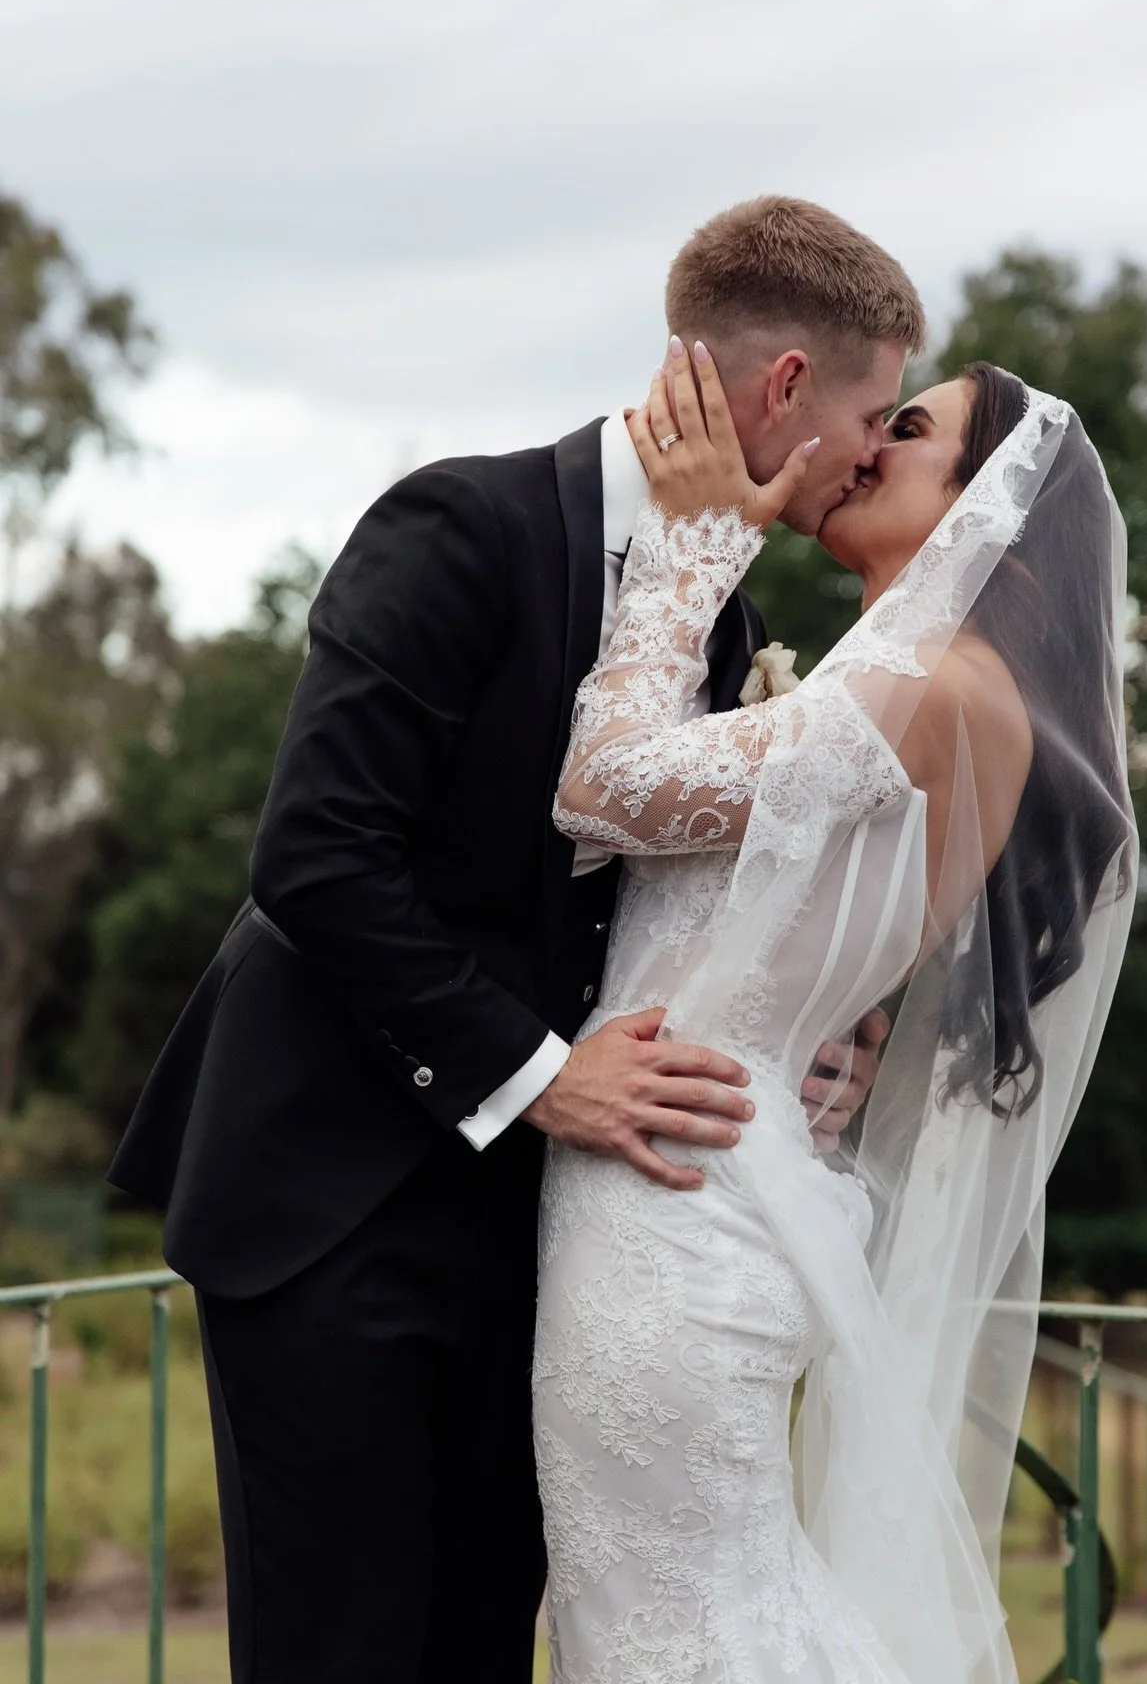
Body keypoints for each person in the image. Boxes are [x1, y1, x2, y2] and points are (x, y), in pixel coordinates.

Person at [108, 195, 926, 1683]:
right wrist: (543, 1076)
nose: (875, 456)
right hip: (331, 1196)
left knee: (482, 1642)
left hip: (550, 1235)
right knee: (343, 1655)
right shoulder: (462, 523)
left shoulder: (724, 627)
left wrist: (811, 1042)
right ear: (787, 389)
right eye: (875, 416)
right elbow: (318, 854)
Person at [536, 343, 1138, 1681]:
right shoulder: (919, 683)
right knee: (674, 1617)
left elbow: (605, 785)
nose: (864, 447)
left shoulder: (933, 684)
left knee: (680, 1631)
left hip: (671, 1218)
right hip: (700, 1176)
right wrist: (834, 1025)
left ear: (995, 510)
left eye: (906, 430)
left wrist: (689, 549)